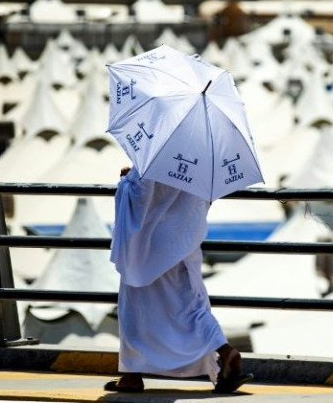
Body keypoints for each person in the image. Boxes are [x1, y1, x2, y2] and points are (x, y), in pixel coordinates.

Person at [104, 166, 253, 393]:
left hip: (148, 247)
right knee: (190, 305)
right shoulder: (201, 157)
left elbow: (141, 197)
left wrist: (126, 179)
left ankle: (131, 375)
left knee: (136, 308)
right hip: (183, 242)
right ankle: (224, 351)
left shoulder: (155, 155)